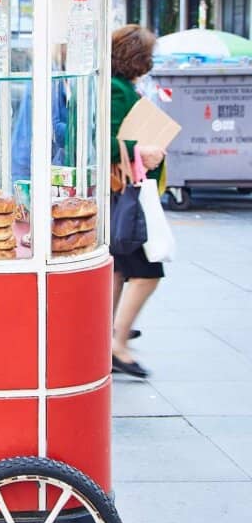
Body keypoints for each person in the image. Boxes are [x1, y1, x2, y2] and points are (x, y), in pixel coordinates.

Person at [110, 24, 166, 380]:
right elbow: (108, 137)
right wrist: (143, 149)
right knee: (147, 271)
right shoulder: (117, 90)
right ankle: (117, 342)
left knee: (118, 268)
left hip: (124, 192)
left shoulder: (122, 87)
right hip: (126, 192)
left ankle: (109, 336)